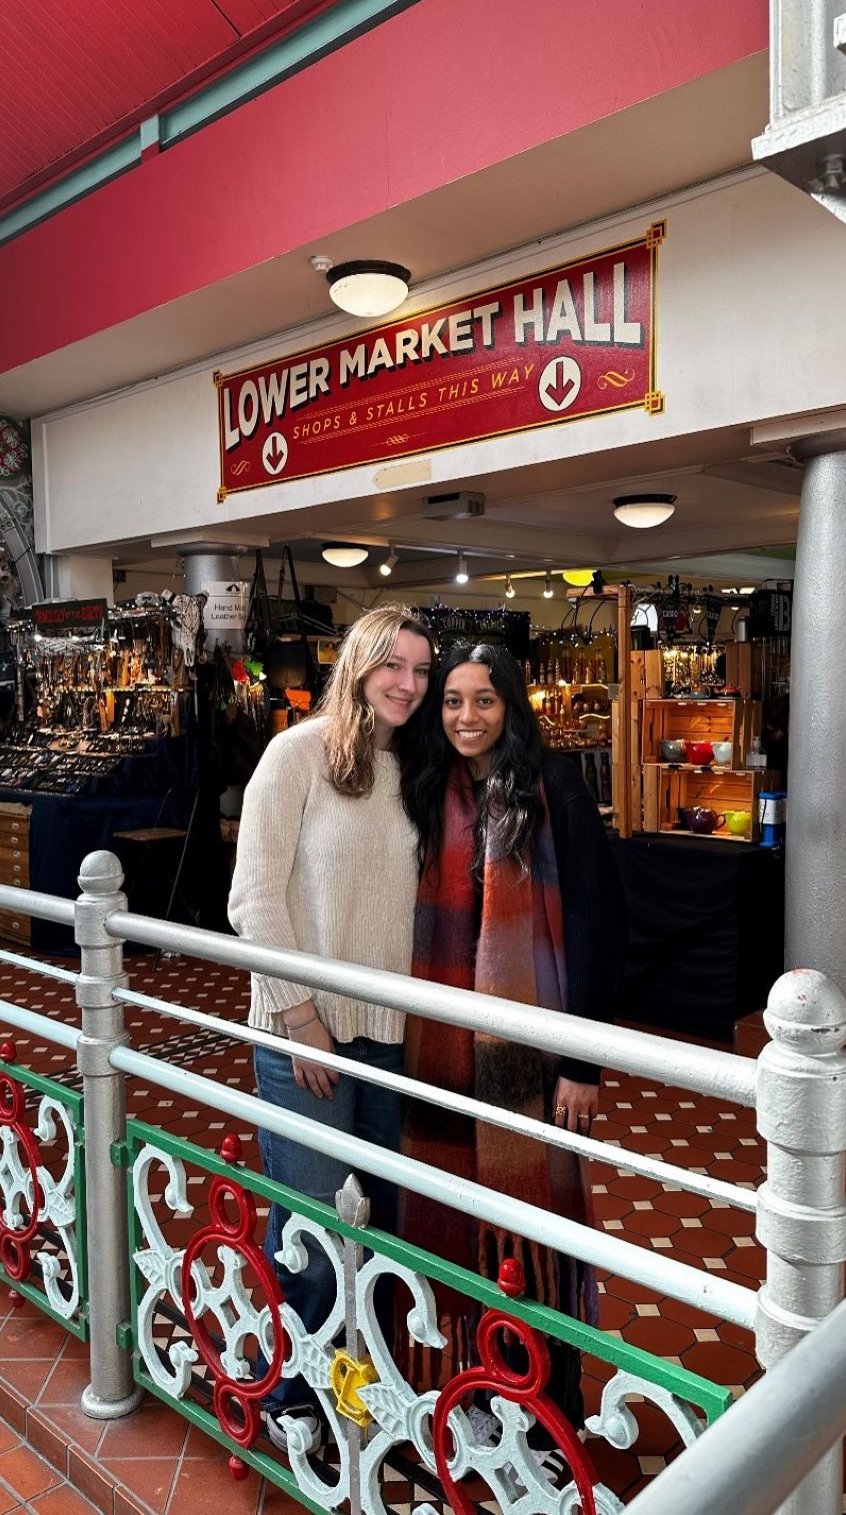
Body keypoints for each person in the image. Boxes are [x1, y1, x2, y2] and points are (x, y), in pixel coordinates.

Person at [400, 642, 626, 1431]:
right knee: (460, 1214)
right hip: (446, 1048)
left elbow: (597, 921)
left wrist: (582, 1063)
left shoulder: (550, 783)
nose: (466, 716)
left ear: (512, 705)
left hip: (530, 1058)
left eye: (483, 700)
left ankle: (550, 1404)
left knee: (537, 1222)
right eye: (453, 700)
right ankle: (484, 1391)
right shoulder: (433, 786)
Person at [228, 604, 435, 1450]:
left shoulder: (421, 768)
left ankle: (371, 1372)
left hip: (392, 1037)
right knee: (309, 1221)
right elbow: (254, 898)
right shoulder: (296, 756)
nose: (409, 684)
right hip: (300, 1031)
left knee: (387, 1216)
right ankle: (292, 1392)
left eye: (421, 670)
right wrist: (302, 1016)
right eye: (394, 664)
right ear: (357, 664)